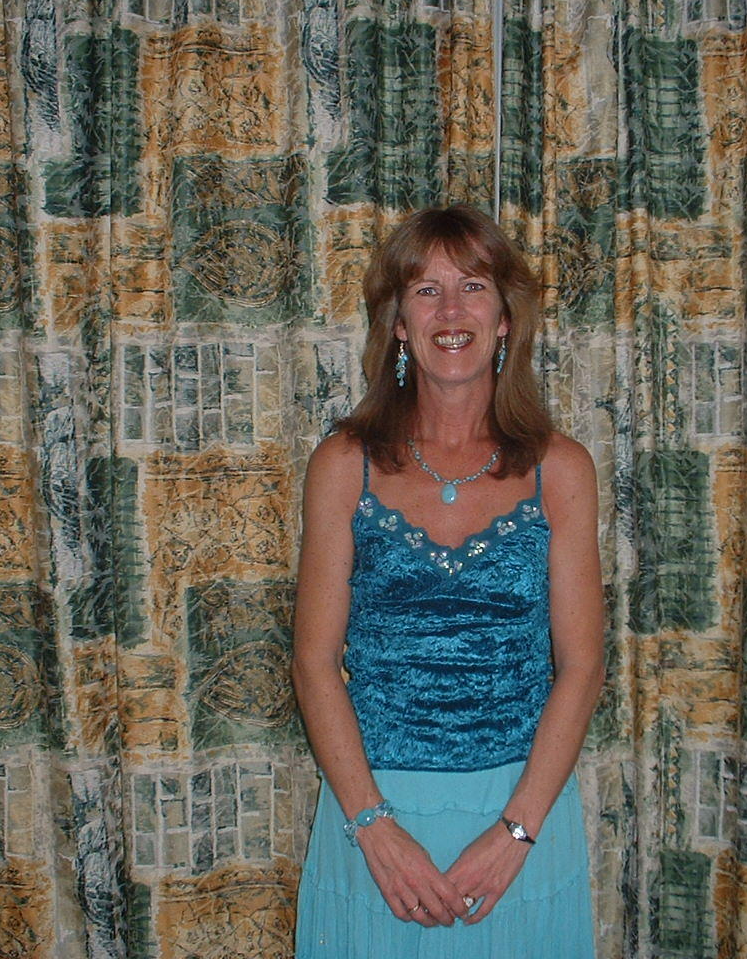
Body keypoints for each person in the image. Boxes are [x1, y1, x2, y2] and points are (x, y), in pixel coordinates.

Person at [292, 205, 604, 958]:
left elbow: (583, 666)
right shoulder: (344, 464)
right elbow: (312, 662)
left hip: (521, 824)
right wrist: (373, 829)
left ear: (505, 319)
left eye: (473, 286)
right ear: (399, 323)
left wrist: (515, 832)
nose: (452, 310)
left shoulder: (561, 469)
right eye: (426, 291)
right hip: (373, 824)